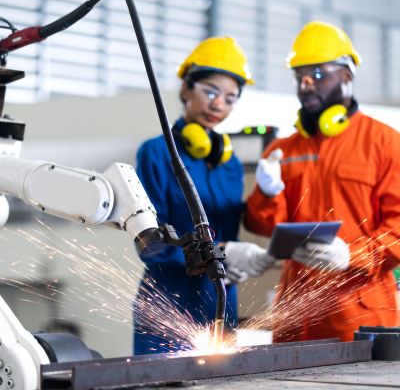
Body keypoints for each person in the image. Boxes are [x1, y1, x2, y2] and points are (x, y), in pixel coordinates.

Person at [245, 21, 400, 342]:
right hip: (294, 313)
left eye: (317, 74)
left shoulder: (386, 143)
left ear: (347, 75)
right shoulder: (282, 150)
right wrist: (267, 193)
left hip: (358, 315)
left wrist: (353, 255)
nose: (305, 85)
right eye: (299, 76)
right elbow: (262, 226)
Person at [134, 37, 275, 355]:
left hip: (219, 304)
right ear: (186, 88)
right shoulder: (156, 153)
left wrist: (236, 259)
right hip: (167, 305)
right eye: (210, 92)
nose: (218, 105)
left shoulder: (230, 164)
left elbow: (232, 233)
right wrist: (220, 253)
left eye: (230, 98)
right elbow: (149, 243)